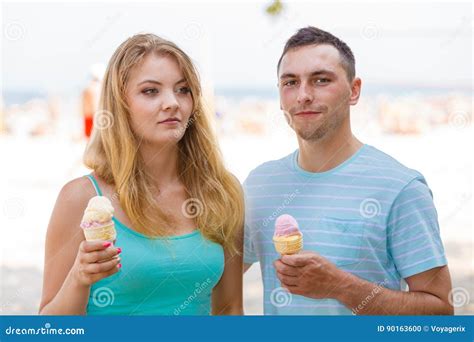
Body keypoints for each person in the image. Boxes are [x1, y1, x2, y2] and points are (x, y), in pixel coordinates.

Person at [243, 27, 453, 315]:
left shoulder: (400, 187)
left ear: (354, 91)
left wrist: (340, 286)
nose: (303, 95)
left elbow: (440, 314)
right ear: (280, 97)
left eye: (320, 80)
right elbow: (213, 279)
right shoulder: (259, 184)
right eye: (290, 82)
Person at [39, 33, 244, 315]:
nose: (172, 102)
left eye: (183, 89)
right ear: (120, 105)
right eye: (151, 91)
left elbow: (230, 308)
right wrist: (79, 278)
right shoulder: (79, 198)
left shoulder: (221, 191)